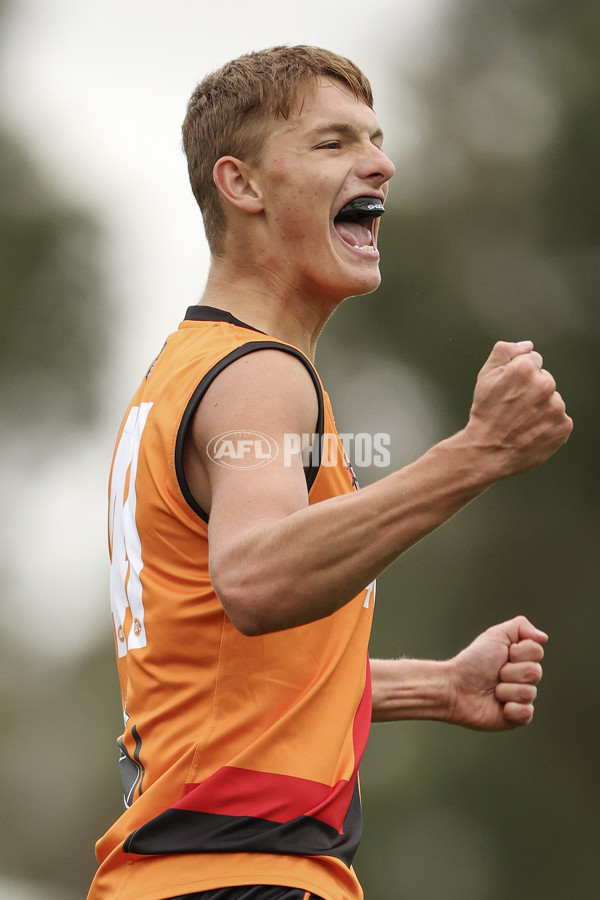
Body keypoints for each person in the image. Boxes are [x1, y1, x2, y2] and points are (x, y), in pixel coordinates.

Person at [88, 46, 572, 900]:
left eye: (377, 141)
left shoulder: (191, 368)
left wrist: (440, 686)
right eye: (334, 143)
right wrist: (478, 451)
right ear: (242, 186)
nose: (380, 162)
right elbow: (257, 580)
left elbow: (224, 673)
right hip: (243, 880)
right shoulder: (258, 374)